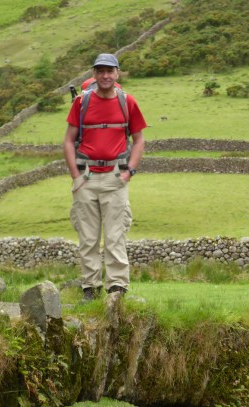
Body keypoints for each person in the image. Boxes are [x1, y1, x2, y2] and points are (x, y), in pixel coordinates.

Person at [63, 53, 147, 301]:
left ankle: (117, 290)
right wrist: (76, 177)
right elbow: (68, 141)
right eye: (100, 71)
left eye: (110, 71)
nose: (105, 75)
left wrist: (129, 172)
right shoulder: (81, 103)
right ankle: (90, 289)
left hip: (115, 178)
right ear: (94, 74)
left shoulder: (127, 102)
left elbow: (139, 139)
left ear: (117, 73)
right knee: (87, 238)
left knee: (115, 237)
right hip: (86, 179)